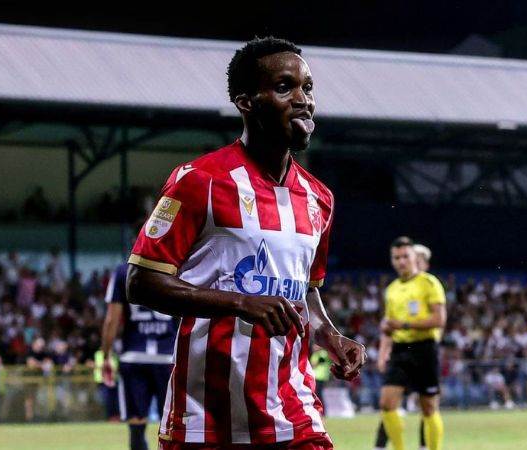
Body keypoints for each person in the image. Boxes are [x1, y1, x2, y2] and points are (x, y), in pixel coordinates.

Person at [126, 36, 366, 450]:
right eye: (284, 87)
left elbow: (306, 291)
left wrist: (329, 334)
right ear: (246, 102)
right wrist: (240, 302)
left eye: (307, 88)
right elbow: (141, 282)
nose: (303, 100)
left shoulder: (319, 198)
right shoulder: (199, 181)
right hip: (207, 417)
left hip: (292, 412)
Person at [377, 237, 446, 450]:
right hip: (400, 350)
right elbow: (389, 325)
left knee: (428, 407)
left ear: (414, 257)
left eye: (405, 256)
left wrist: (404, 325)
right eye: (396, 258)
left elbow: (439, 319)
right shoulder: (391, 289)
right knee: (387, 404)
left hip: (424, 348)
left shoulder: (429, 283)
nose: (401, 261)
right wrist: (383, 352)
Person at [102, 262, 178, 450]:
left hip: (134, 355)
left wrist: (106, 356)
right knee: (172, 424)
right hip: (167, 357)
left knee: (136, 422)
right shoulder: (175, 266)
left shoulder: (123, 271)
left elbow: (112, 319)